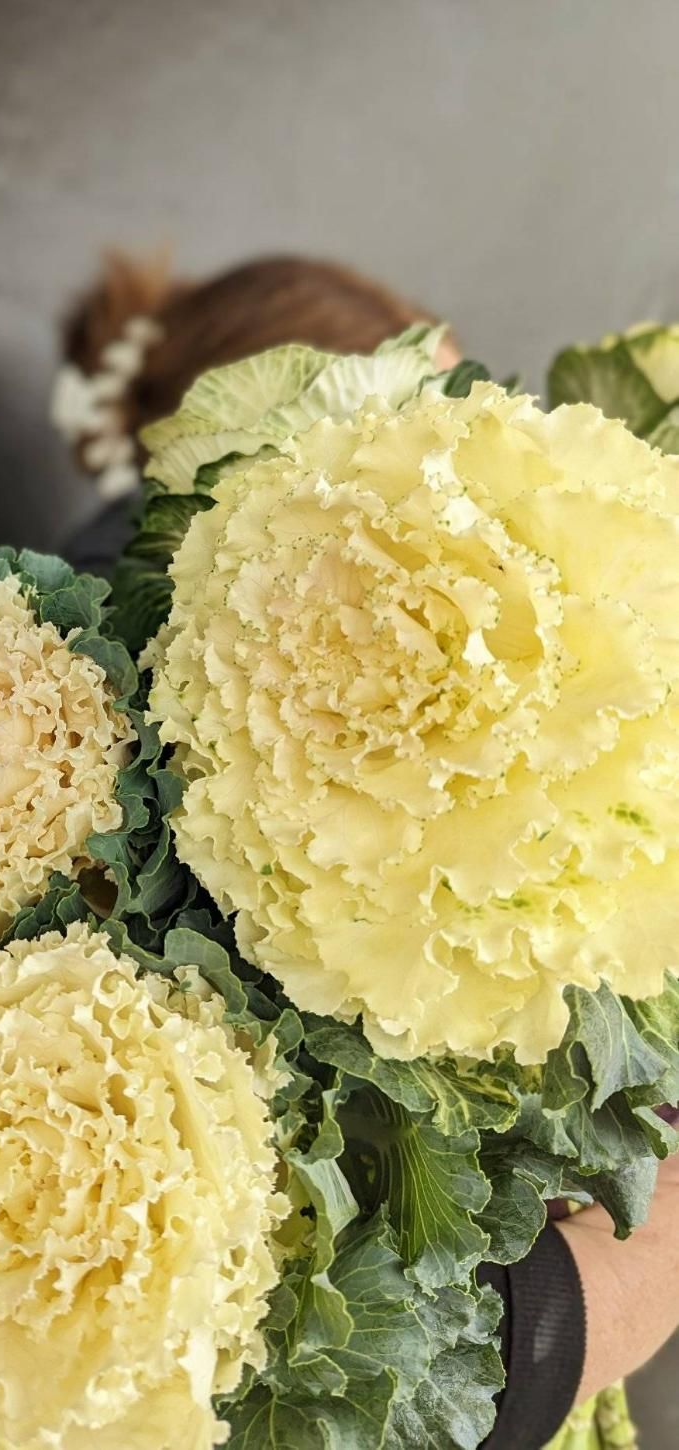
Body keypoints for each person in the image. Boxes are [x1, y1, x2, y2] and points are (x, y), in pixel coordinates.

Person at [53, 251, 679, 1450]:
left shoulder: (153, 624)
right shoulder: (145, 713)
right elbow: (468, 1341)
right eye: (427, 398)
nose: (452, 443)